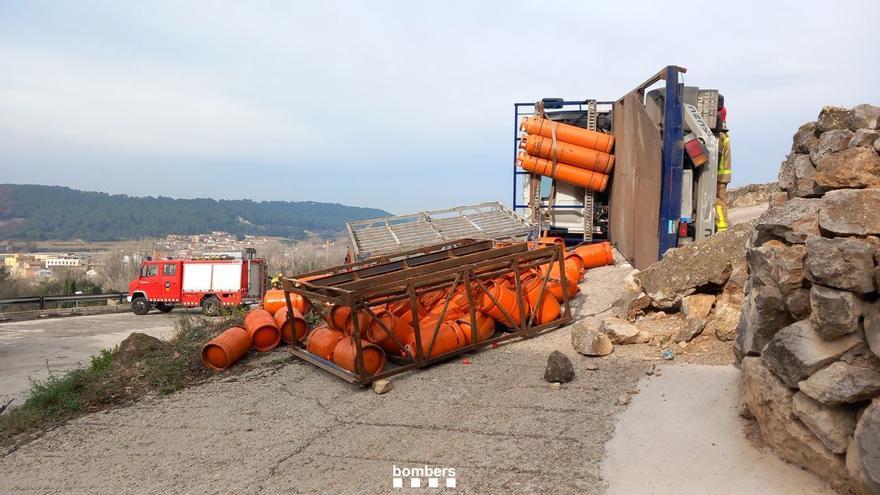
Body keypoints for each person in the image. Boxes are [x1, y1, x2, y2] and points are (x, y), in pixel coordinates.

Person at [715, 95, 731, 232]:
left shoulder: (720, 136)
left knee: (719, 202)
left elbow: (716, 156)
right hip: (722, 176)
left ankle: (722, 229)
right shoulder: (724, 135)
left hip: (719, 177)